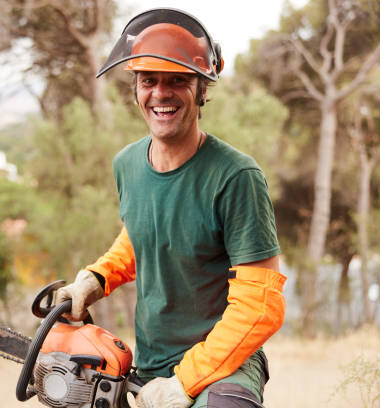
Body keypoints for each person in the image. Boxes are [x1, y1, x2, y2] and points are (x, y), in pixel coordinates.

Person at [55, 8, 287, 408]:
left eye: (177, 80)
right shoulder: (127, 164)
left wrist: (185, 383)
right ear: (135, 89)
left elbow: (261, 304)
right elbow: (143, 231)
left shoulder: (236, 176)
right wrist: (96, 278)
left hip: (225, 366)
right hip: (150, 365)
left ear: (201, 89)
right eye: (149, 80)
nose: (160, 93)